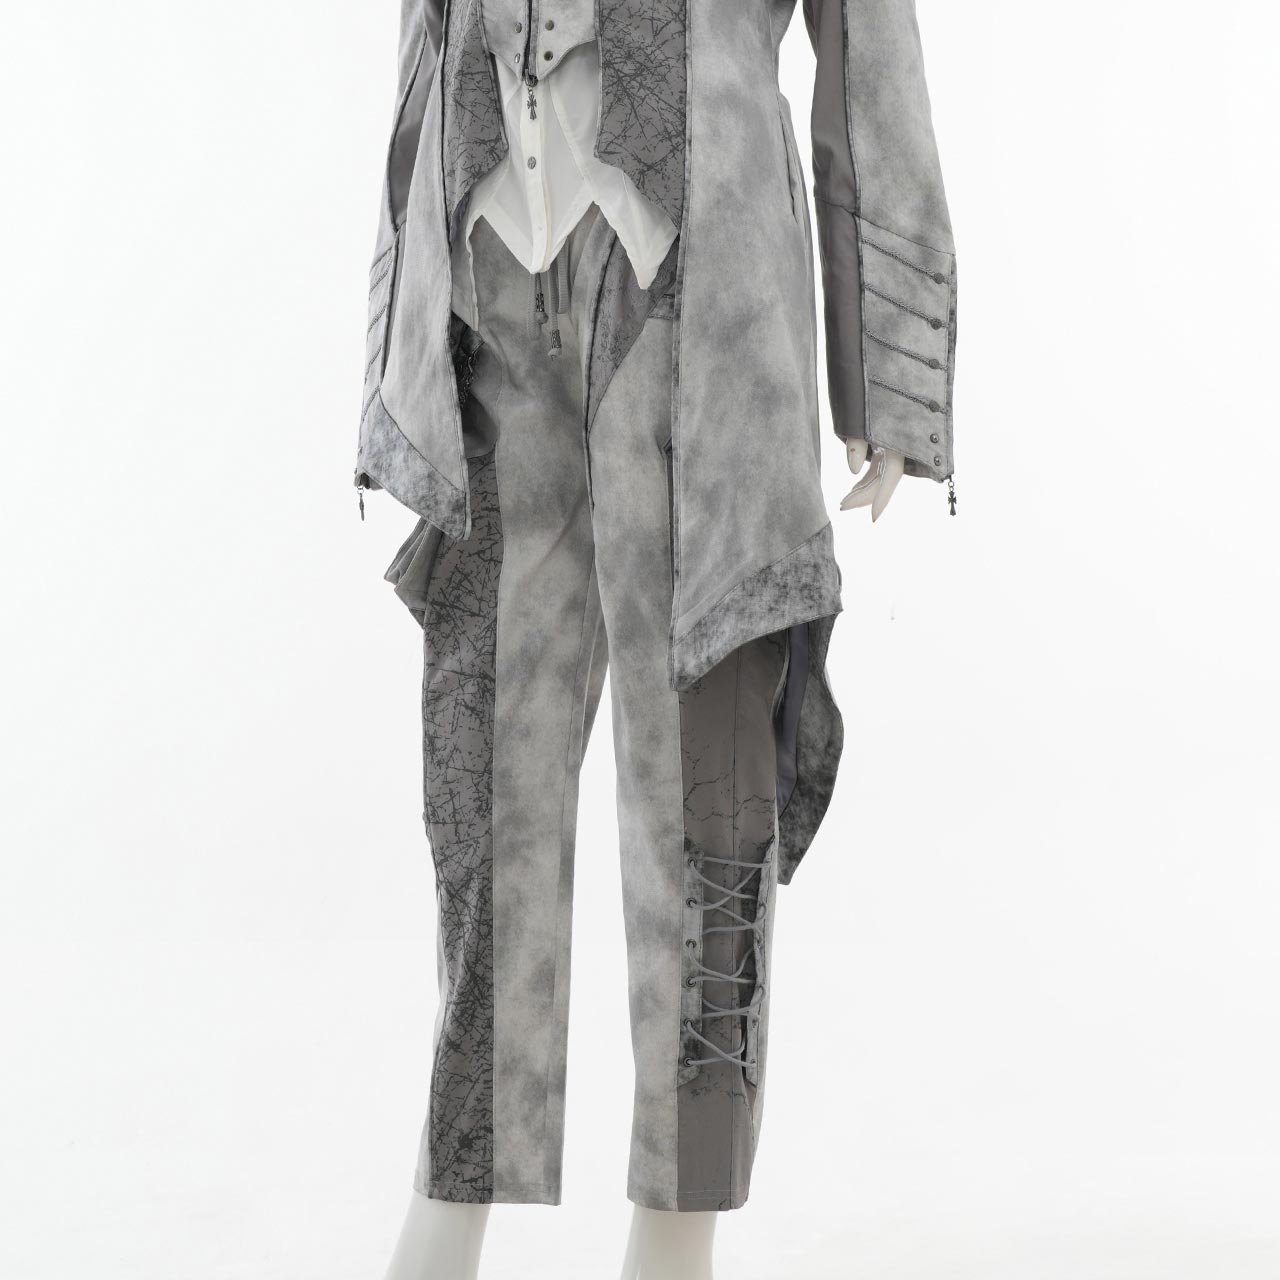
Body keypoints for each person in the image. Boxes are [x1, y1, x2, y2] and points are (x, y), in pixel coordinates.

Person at [353, 0, 957, 1274]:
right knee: (482, 807)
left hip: (699, 310)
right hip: (483, 307)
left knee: (704, 819)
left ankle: (671, 1246)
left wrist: (889, 365)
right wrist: (393, 338)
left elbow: (869, 45)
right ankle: (447, 1217)